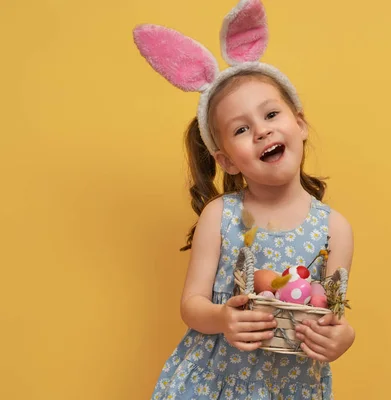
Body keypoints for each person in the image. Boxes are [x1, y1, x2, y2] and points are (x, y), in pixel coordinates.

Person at [133, 1, 355, 398]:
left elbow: (331, 315)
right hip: (216, 380)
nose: (261, 132)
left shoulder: (334, 229)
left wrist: (343, 338)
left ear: (299, 124)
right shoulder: (220, 215)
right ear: (226, 161)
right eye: (241, 129)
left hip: (290, 385)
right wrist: (222, 318)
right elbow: (192, 304)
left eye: (271, 115)